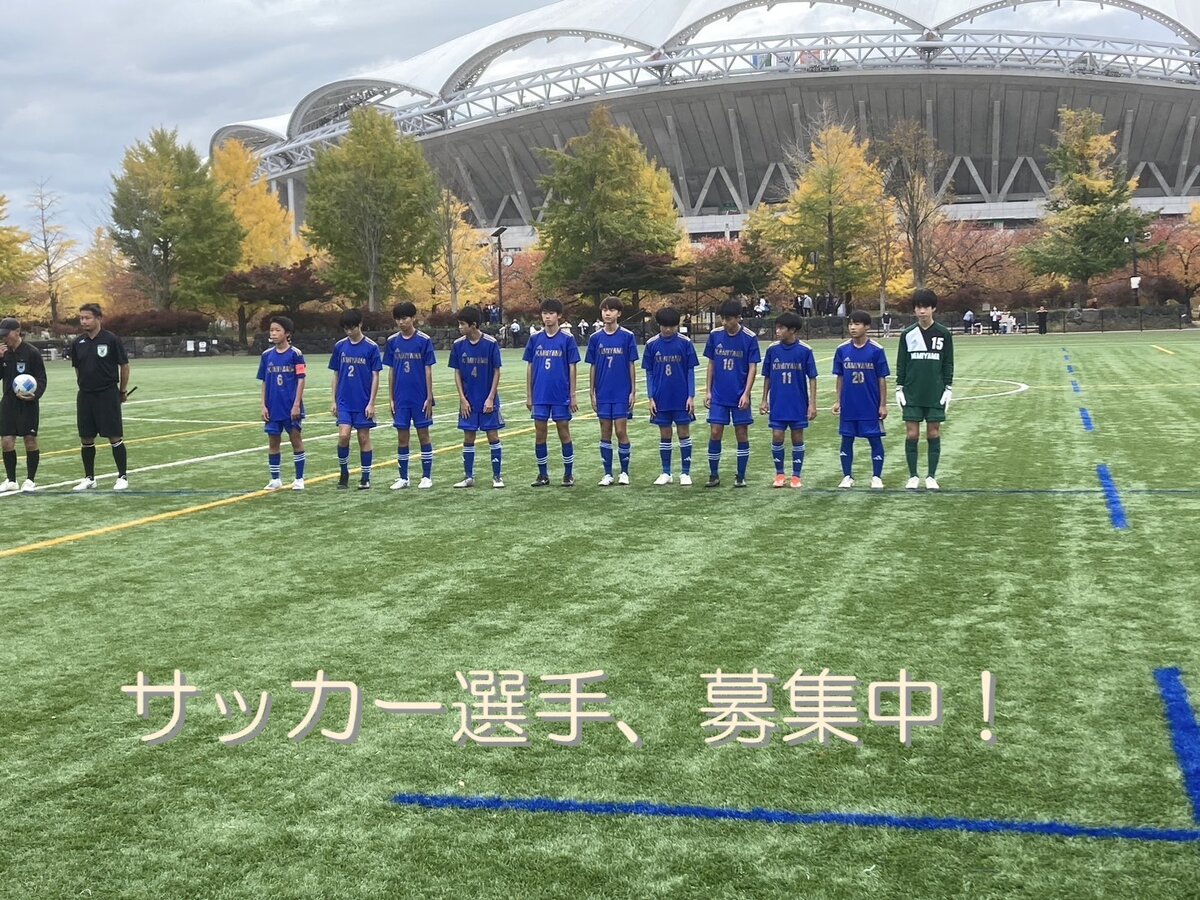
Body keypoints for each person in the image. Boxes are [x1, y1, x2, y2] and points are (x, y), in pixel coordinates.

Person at [67, 304, 130, 491]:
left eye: (87, 318)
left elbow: (124, 365)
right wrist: (83, 385)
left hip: (107, 393)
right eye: (81, 318)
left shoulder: (111, 339)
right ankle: (89, 478)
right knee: (86, 437)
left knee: (114, 435)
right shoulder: (78, 342)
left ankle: (122, 476)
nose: (83, 321)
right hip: (86, 395)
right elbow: (77, 368)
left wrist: (122, 391)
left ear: (98, 319)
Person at [896, 289, 954, 491]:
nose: (922, 311)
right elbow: (902, 363)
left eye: (926, 307)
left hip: (935, 392)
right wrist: (899, 387)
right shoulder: (907, 334)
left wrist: (948, 387)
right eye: (918, 307)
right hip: (912, 391)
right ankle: (913, 476)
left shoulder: (943, 333)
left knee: (933, 433)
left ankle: (931, 476)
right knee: (912, 434)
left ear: (933, 308)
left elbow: (948, 362)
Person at [703, 298, 760, 488]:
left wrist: (746, 393)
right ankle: (713, 475)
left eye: (728, 319)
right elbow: (711, 364)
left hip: (739, 395)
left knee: (741, 433)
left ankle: (740, 475)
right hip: (719, 395)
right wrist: (708, 391)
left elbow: (752, 368)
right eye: (722, 318)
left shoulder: (749, 338)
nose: (724, 322)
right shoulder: (715, 335)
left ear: (738, 318)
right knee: (715, 432)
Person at [524, 298, 580, 486]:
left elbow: (572, 367)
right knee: (540, 433)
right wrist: (529, 394)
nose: (547, 317)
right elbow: (530, 366)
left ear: (559, 316)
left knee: (563, 431)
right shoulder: (535, 339)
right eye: (544, 313)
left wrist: (572, 394)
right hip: (540, 394)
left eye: (551, 313)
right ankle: (542, 475)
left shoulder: (567, 339)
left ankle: (568, 474)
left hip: (560, 394)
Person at [758, 312, 817, 488]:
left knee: (797, 436)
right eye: (777, 327)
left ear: (792, 330)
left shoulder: (805, 350)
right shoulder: (772, 350)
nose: (777, 331)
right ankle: (779, 474)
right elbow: (767, 376)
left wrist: (812, 404)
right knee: (777, 435)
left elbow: (812, 378)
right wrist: (764, 399)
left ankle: (796, 475)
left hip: (798, 402)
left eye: (781, 328)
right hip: (778, 402)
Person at [832, 310, 889, 489]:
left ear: (867, 327)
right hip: (849, 405)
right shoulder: (842, 350)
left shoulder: (877, 350)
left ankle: (876, 476)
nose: (852, 327)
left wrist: (883, 404)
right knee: (847, 439)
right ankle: (847, 476)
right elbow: (840, 377)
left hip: (870, 405)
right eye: (850, 324)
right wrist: (838, 400)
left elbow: (881, 379)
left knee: (875, 439)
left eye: (857, 324)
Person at [448, 306, 504, 488]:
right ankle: (468, 477)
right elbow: (457, 372)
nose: (459, 327)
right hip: (468, 401)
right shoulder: (458, 345)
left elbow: (496, 371)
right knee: (468, 437)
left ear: (473, 325)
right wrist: (462, 399)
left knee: (492, 436)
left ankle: (497, 477)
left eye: (462, 324)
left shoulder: (490, 343)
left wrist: (491, 398)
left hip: (487, 399)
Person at [643, 307, 699, 485]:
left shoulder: (685, 343)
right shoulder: (651, 344)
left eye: (672, 326)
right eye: (664, 326)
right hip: (661, 397)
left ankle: (685, 473)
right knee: (665, 434)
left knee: (684, 433)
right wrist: (651, 397)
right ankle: (666, 472)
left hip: (681, 397)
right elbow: (649, 373)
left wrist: (691, 396)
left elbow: (690, 371)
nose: (668, 330)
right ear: (659, 325)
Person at [586, 296, 639, 485]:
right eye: (604, 310)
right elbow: (593, 366)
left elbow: (631, 364)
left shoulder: (627, 336)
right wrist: (591, 392)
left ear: (619, 313)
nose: (607, 313)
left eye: (611, 310)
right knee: (605, 431)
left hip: (621, 391)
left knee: (621, 430)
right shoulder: (595, 338)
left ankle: (624, 472)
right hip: (603, 392)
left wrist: (633, 390)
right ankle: (607, 473)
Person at [384, 301, 436, 490]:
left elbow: (428, 370)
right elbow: (391, 371)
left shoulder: (424, 340)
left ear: (413, 318)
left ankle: (426, 476)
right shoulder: (392, 341)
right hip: (401, 398)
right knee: (402, 437)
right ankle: (403, 477)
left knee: (423, 435)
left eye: (404, 318)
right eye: (397, 319)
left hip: (419, 397)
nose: (401, 322)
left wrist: (429, 397)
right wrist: (391, 398)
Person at [329, 308, 382, 490]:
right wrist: (333, 400)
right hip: (344, 400)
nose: (349, 332)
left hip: (362, 401)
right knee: (343, 435)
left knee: (363, 437)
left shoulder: (371, 347)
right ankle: (344, 473)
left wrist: (371, 402)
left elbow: (375, 375)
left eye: (352, 327)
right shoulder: (340, 346)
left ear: (360, 324)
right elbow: (336, 374)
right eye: (346, 329)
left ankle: (365, 477)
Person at [256, 315, 306, 491]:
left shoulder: (296, 354)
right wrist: (263, 405)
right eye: (271, 330)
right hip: (273, 407)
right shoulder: (266, 355)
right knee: (273, 442)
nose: (273, 333)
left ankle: (299, 479)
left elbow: (301, 379)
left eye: (277, 330)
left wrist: (296, 404)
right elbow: (264, 381)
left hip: (290, 406)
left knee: (295, 440)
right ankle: (275, 479)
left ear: (287, 333)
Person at [0, 318, 47, 493]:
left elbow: (41, 378)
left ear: (17, 332)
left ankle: (30, 480)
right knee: (6, 441)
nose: (5, 338)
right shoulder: (3, 352)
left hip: (27, 403)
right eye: (2, 335)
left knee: (30, 440)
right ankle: (11, 480)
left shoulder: (32, 352)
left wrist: (35, 395)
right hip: (8, 402)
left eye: (7, 334)